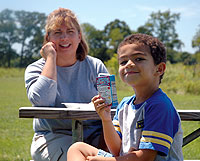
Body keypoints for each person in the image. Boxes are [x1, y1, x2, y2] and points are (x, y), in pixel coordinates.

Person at [67, 33, 184, 161]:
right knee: (77, 148)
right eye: (123, 61)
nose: (128, 64)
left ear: (159, 69)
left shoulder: (159, 105)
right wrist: (105, 119)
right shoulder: (125, 105)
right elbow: (116, 149)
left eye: (138, 59)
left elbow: (146, 157)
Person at [24, 8, 109, 161]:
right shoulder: (35, 69)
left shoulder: (96, 66)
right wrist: (51, 58)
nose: (64, 38)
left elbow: (109, 103)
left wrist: (105, 145)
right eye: (57, 32)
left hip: (96, 136)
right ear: (48, 38)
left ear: (79, 36)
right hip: (53, 137)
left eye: (70, 31)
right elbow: (42, 101)